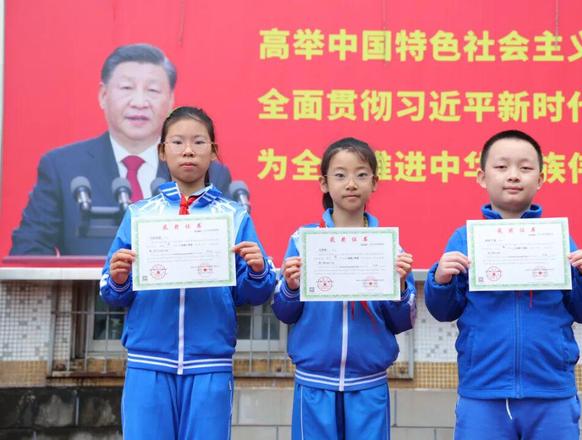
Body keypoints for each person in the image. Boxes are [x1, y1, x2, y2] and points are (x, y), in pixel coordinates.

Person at [99, 107, 275, 439]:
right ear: (162, 151)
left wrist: (257, 270)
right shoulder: (140, 215)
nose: (188, 150)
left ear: (214, 151)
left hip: (210, 365)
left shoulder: (235, 217)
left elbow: (253, 294)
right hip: (148, 364)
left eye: (199, 142)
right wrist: (119, 278)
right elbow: (111, 290)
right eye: (178, 142)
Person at [424, 130, 582, 440]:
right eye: (501, 167)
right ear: (482, 177)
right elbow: (443, 311)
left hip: (551, 389)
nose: (513, 175)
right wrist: (440, 280)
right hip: (483, 389)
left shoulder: (558, 239)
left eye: (525, 168)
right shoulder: (464, 239)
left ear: (540, 179)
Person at [10, 43, 231, 256]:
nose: (139, 102)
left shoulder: (207, 172)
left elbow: (229, 251)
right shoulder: (63, 168)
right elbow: (28, 251)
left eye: (153, 90)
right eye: (126, 88)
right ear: (103, 96)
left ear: (171, 101)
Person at [272, 137, 416, 440]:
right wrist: (291, 286)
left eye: (361, 175)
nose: (351, 183)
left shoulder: (388, 246)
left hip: (369, 384)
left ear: (374, 183)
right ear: (324, 183)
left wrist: (401, 286)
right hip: (314, 382)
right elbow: (284, 313)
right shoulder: (303, 241)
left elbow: (402, 321)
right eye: (340, 175)